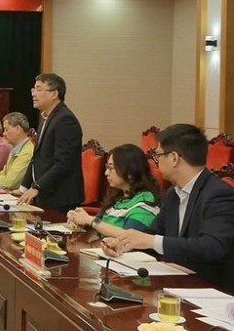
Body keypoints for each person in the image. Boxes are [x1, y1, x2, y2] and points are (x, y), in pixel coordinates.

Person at [102, 124, 234, 290]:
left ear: (173, 158)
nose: (156, 164)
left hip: (210, 289)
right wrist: (123, 244)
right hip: (175, 282)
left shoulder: (219, 194)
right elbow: (152, 235)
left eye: (158, 156)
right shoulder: (172, 194)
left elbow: (212, 247)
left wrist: (152, 241)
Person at [16, 73, 84, 212]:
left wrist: (37, 187)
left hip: (60, 197)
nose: (34, 94)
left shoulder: (65, 120)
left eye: (39, 89)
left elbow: (63, 163)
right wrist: (23, 188)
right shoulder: (47, 118)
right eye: (33, 89)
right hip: (46, 194)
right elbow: (37, 158)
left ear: (54, 94)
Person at [67, 144, 160, 237]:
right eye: (107, 167)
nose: (106, 173)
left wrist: (90, 220)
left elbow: (129, 237)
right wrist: (79, 219)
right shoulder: (119, 197)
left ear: (130, 172)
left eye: (111, 168)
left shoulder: (146, 201)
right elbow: (99, 223)